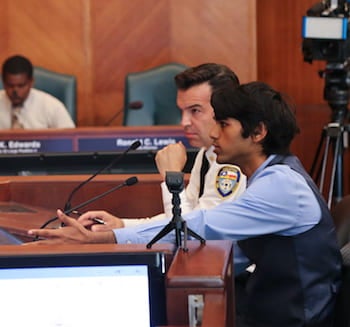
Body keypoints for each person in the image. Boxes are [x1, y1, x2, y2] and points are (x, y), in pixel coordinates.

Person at [29, 81, 342, 327]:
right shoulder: (270, 176)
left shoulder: (281, 185)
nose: (214, 133)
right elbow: (228, 246)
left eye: (225, 124)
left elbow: (200, 225)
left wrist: (102, 239)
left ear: (258, 132)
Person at [77, 63, 246, 230]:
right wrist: (122, 225)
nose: (184, 122)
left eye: (195, 111)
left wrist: (172, 177)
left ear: (223, 110)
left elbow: (189, 233)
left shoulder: (233, 162)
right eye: (182, 111)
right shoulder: (206, 153)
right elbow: (187, 215)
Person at [0, 54, 75, 129]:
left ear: (31, 82)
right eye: (10, 85)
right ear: (3, 82)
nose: (15, 91)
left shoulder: (51, 106)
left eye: (21, 86)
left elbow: (70, 138)